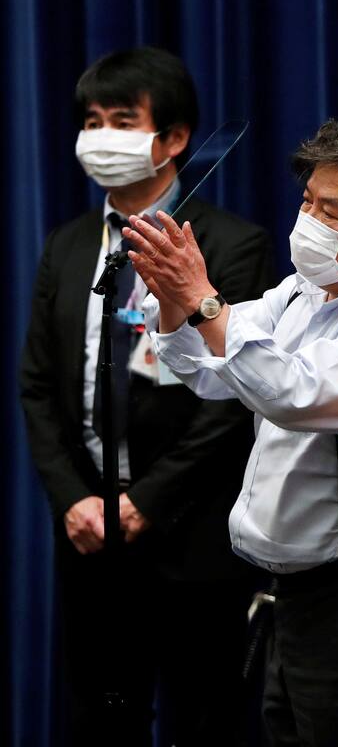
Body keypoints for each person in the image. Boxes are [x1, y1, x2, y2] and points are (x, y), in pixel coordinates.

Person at [126, 119, 338, 746]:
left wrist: (202, 298)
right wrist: (173, 295)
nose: (308, 219)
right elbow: (213, 371)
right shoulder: (304, 293)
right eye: (307, 200)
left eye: (330, 210)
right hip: (296, 596)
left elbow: (290, 393)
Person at [19, 46, 273, 745]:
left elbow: (236, 392)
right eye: (92, 119)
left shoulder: (231, 244)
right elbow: (38, 385)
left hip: (188, 528)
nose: (101, 135)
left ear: (174, 139)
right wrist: (74, 497)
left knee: (205, 717)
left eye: (122, 119)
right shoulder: (66, 247)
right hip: (88, 532)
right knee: (99, 715)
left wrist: (148, 500)